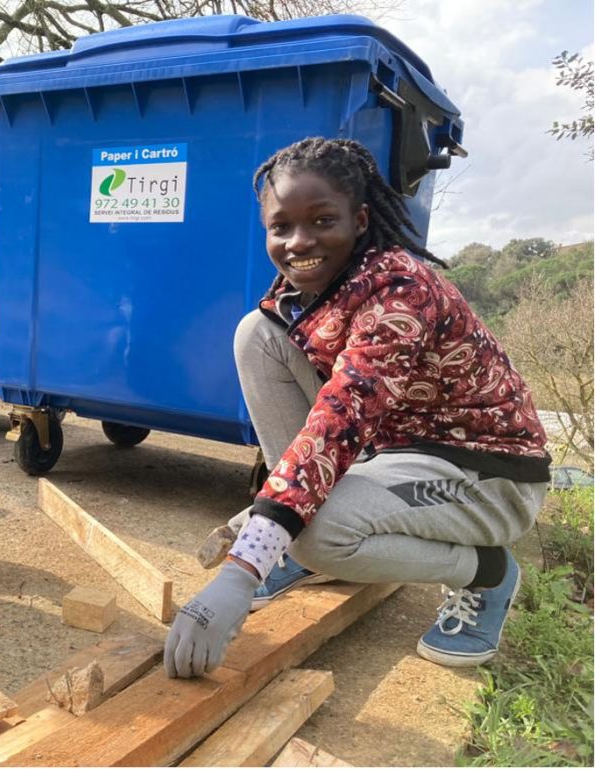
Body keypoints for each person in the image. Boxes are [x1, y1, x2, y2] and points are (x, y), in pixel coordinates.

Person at [165, 137, 550, 677]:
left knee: (319, 538)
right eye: (282, 227)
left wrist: (241, 569)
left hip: (486, 473)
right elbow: (333, 423)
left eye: (323, 221)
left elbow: (339, 419)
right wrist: (273, 528)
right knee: (258, 333)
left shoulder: (400, 293)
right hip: (397, 453)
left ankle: (485, 570)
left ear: (361, 219)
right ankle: (295, 540)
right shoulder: (307, 292)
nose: (300, 242)